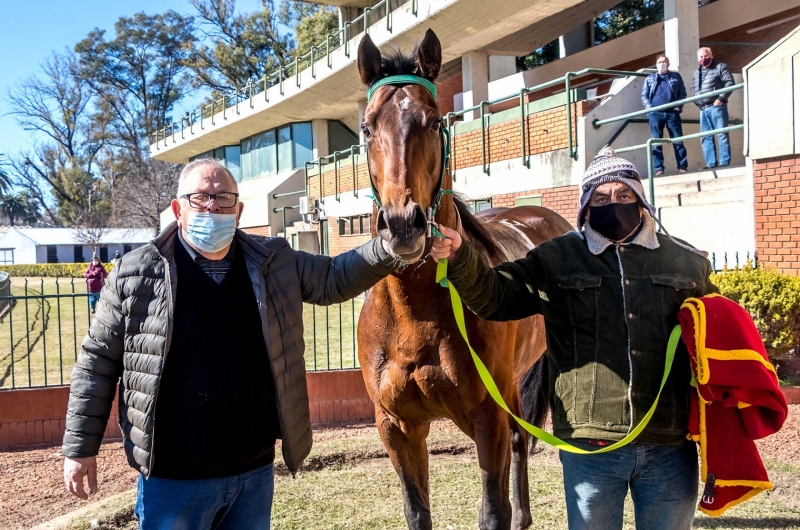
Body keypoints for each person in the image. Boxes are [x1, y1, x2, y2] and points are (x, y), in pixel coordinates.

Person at [61, 158, 399, 529]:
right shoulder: (135, 273)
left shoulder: (273, 261)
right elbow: (97, 364)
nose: (212, 206)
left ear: (238, 211)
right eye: (200, 197)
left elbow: (335, 276)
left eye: (223, 198)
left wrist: (391, 245)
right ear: (177, 209)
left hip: (253, 475)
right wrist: (80, 448)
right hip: (173, 480)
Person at [432, 147, 718, 530]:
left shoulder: (686, 261)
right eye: (600, 198)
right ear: (585, 206)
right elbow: (495, 296)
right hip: (591, 450)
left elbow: (716, 337)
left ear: (641, 200)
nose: (613, 204)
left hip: (670, 446)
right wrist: (460, 256)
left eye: (624, 195)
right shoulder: (556, 258)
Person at [641, 54, 688, 176]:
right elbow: (644, 96)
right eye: (660, 61)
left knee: (678, 140)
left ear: (668, 63)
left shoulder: (676, 76)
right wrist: (650, 109)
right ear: (656, 64)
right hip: (655, 114)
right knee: (656, 142)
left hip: (672, 112)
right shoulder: (650, 78)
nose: (662, 63)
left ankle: (682, 166)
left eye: (664, 61)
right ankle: (659, 169)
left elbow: (683, 93)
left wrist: (679, 107)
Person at [691, 47, 735, 168]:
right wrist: (697, 102)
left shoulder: (720, 67)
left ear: (711, 56)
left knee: (721, 134)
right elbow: (693, 89)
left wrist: (720, 99)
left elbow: (730, 83)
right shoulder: (696, 73)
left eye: (706, 56)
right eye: (701, 57)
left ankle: (724, 162)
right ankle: (710, 164)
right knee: (706, 137)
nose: (703, 59)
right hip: (703, 109)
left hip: (717, 107)